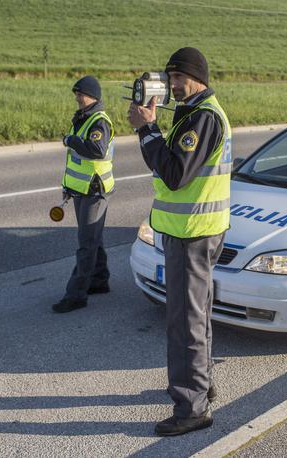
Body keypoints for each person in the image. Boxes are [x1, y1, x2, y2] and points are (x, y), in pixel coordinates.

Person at [127, 47, 231, 436]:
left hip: (192, 234)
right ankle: (201, 387)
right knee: (197, 316)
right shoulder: (196, 114)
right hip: (197, 231)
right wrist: (152, 130)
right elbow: (169, 166)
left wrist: (147, 128)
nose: (172, 85)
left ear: (197, 77)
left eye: (177, 78)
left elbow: (173, 174)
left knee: (185, 321)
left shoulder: (202, 118)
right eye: (168, 78)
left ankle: (191, 408)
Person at [52, 75, 115, 313]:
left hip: (94, 190)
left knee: (86, 244)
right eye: (76, 93)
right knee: (93, 239)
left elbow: (97, 150)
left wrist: (71, 140)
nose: (77, 97)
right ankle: (99, 281)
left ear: (93, 95)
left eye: (81, 93)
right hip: (82, 188)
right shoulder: (82, 118)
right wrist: (69, 187)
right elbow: (77, 161)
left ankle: (76, 295)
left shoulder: (99, 121)